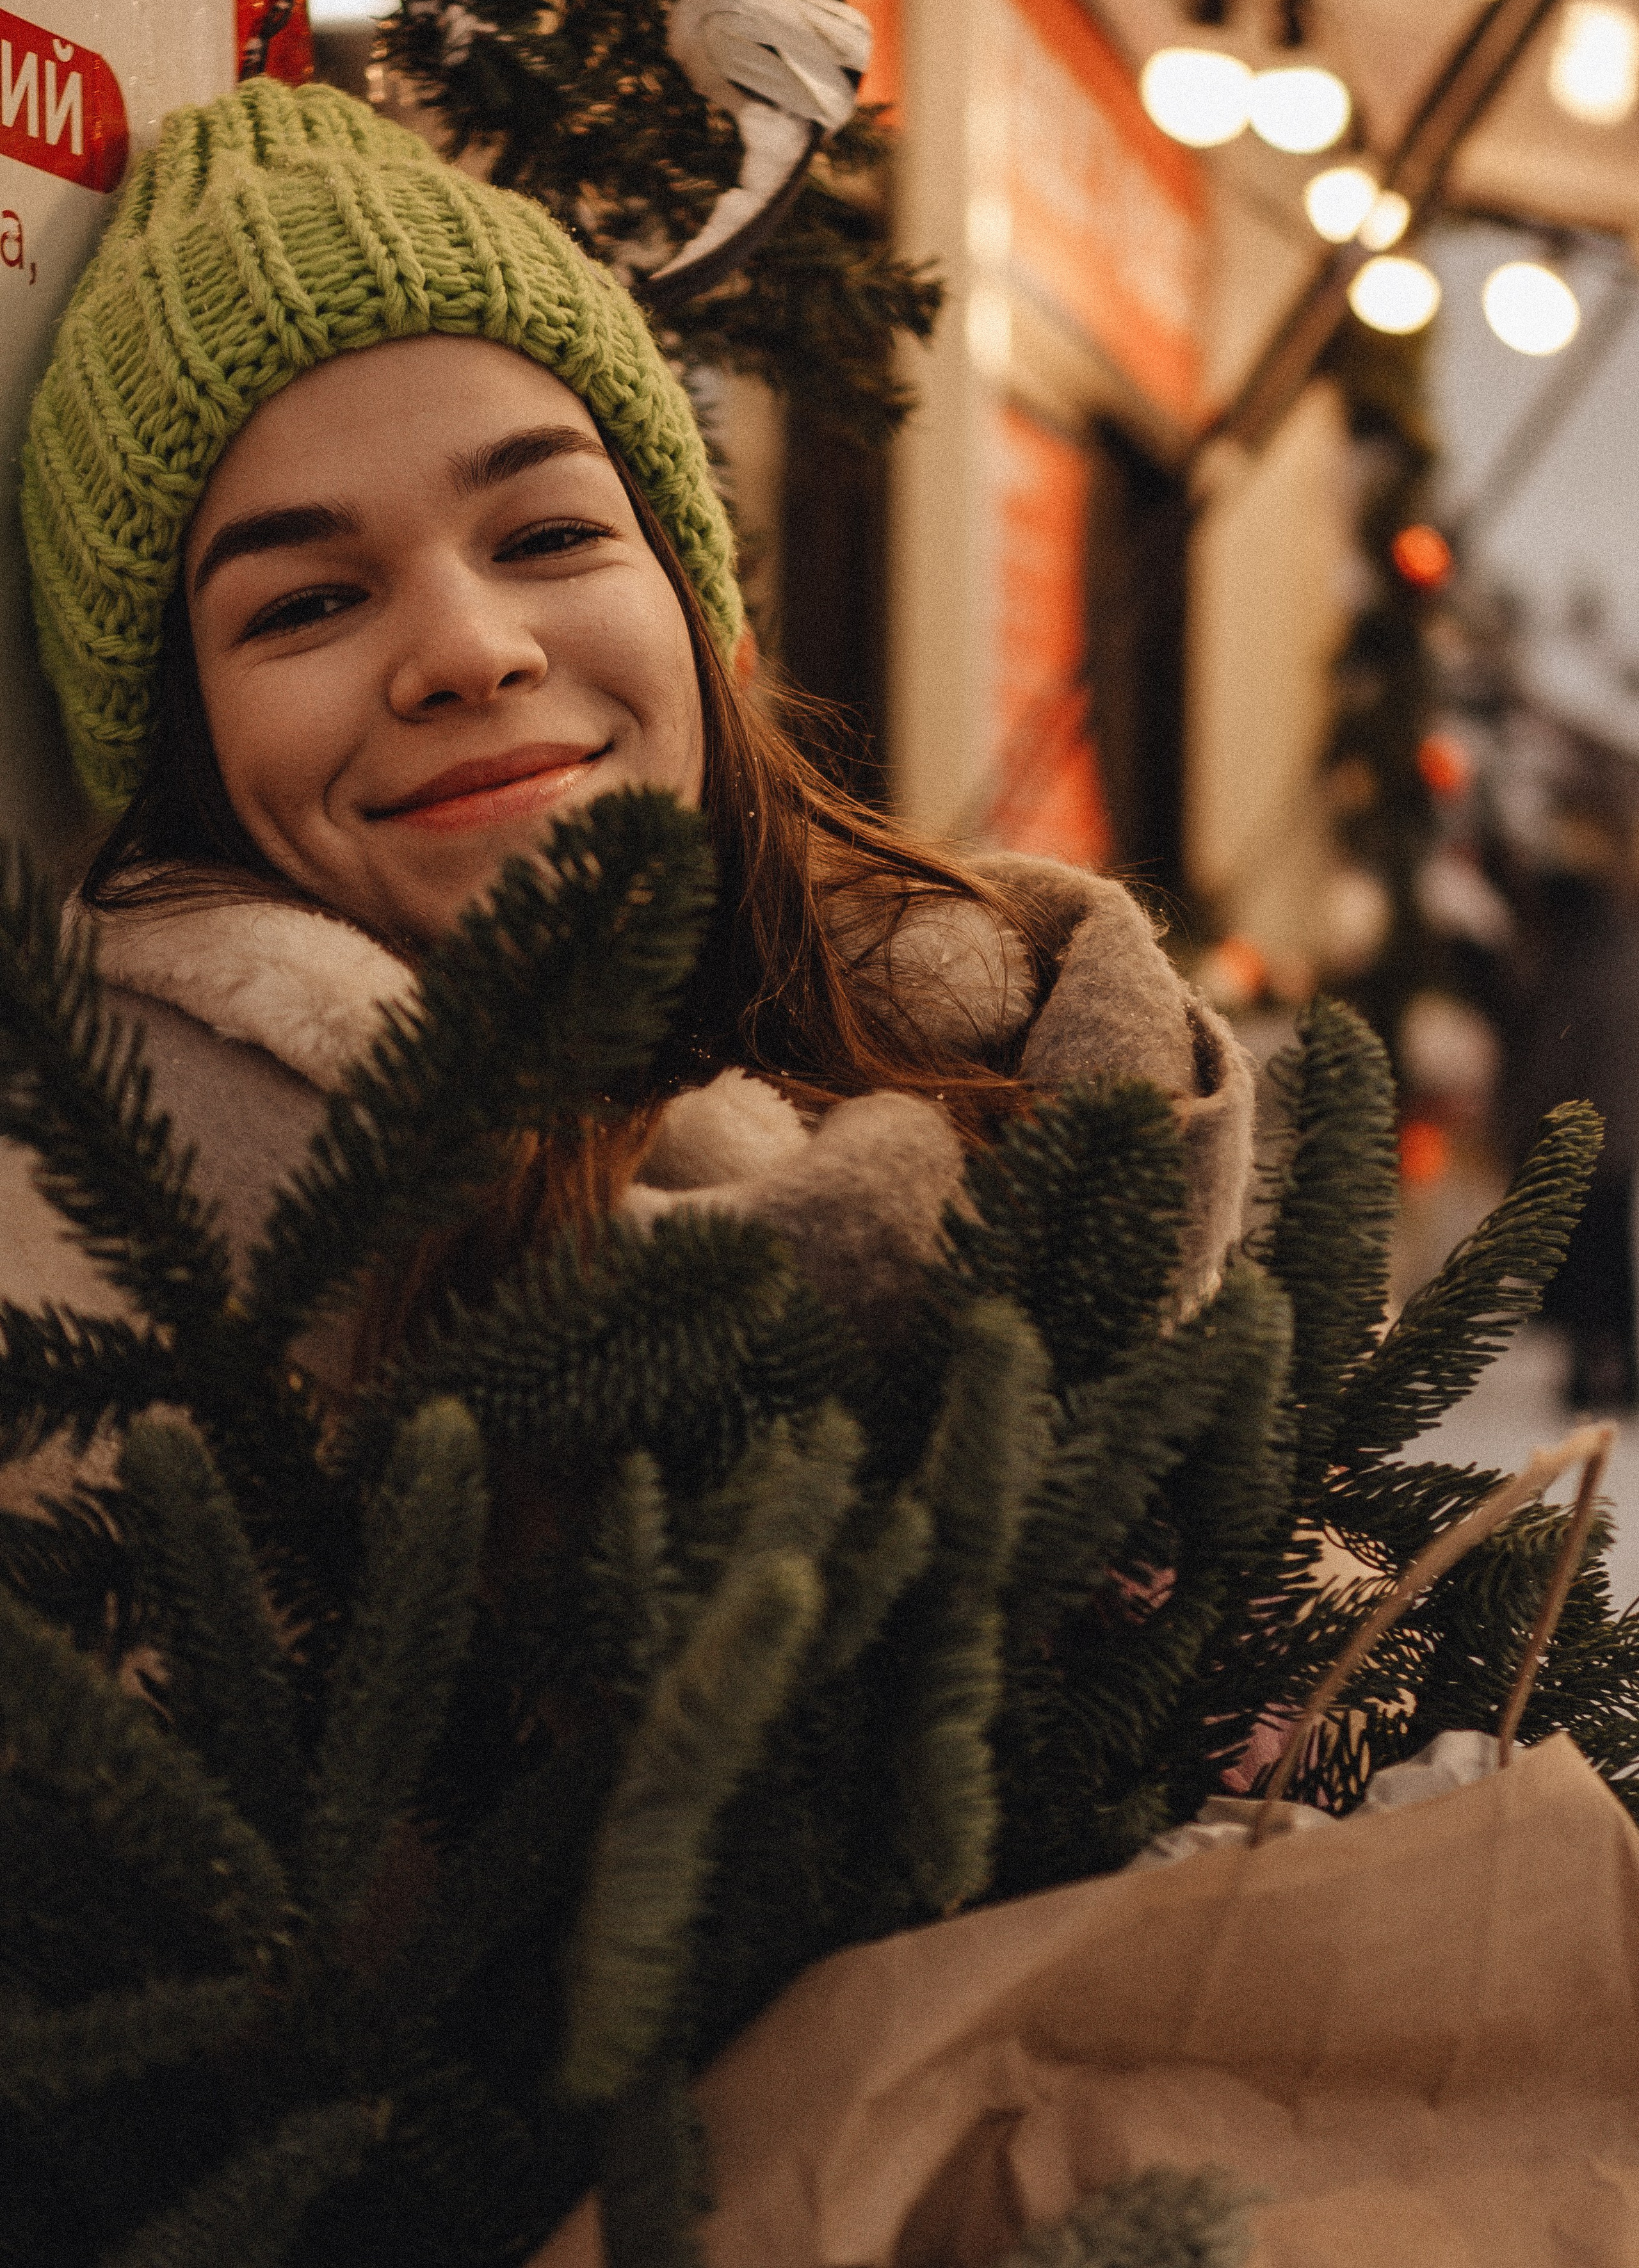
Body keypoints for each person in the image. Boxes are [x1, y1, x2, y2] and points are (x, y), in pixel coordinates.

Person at [3, 78, 1251, 1446]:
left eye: (548, 536)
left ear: (696, 610)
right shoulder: (108, 1318)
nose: (470, 652)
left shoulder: (1042, 1068)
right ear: (178, 741)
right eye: (306, 604)